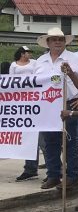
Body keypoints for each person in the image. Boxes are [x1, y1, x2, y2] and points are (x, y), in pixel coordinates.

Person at [34, 28, 78, 190]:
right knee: (49, 141)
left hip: (69, 103)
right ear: (48, 42)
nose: (58, 42)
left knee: (70, 141)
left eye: (60, 39)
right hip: (47, 105)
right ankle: (53, 174)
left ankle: (73, 176)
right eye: (54, 39)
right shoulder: (40, 61)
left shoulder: (76, 59)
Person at [9, 46, 40, 181]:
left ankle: (55, 168)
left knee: (42, 137)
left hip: (35, 100)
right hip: (21, 102)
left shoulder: (35, 63)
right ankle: (31, 167)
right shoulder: (13, 65)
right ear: (22, 53)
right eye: (28, 52)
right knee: (29, 136)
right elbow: (10, 81)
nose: (30, 54)